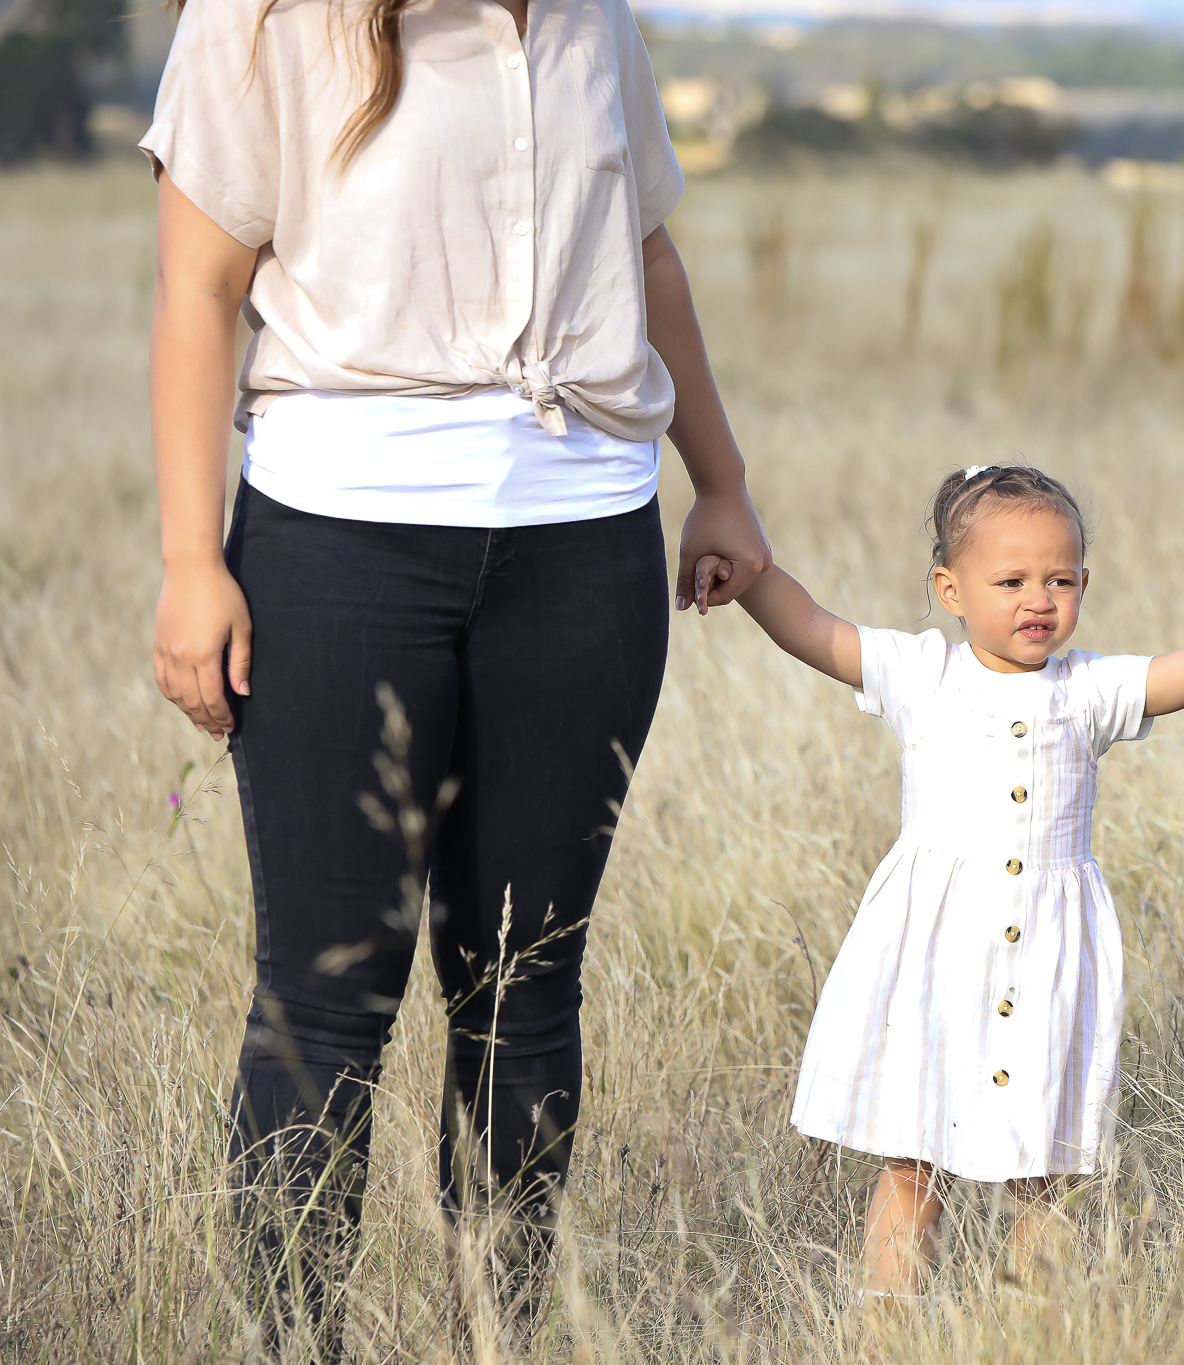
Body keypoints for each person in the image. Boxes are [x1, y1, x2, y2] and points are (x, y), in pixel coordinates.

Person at [142, 0, 770, 1348]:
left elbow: (644, 249)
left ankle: (502, 1338)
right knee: (327, 990)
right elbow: (195, 289)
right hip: (337, 549)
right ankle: (286, 1341)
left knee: (526, 984)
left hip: (583, 554)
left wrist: (718, 482)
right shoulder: (261, 20)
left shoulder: (594, 21)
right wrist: (195, 556)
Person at [718, 464, 1184, 1300]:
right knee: (913, 1165)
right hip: (938, 958)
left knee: (1046, 1171)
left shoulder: (1088, 689)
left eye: (1061, 579)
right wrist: (746, 574)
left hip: (1047, 963)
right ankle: (887, 1335)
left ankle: (1033, 1329)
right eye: (1011, 580)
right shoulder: (922, 675)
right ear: (950, 588)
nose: (1039, 599)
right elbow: (814, 629)